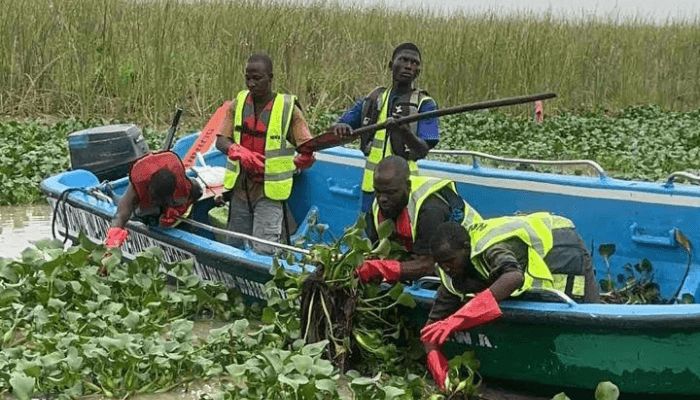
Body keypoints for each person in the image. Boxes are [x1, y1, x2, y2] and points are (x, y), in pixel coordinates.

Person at [420, 215, 601, 391]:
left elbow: (513, 277)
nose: (447, 268)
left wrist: (460, 318)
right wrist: (434, 358)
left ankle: (589, 369)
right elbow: (430, 329)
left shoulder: (491, 248)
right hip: (525, 257)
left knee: (584, 309)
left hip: (560, 242)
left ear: (466, 249)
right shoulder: (451, 274)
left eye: (451, 261)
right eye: (442, 264)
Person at [215, 53, 315, 254]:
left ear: (270, 77)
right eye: (247, 78)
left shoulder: (289, 110)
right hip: (241, 189)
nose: (251, 84)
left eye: (257, 78)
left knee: (264, 250)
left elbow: (307, 148)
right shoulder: (238, 103)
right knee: (233, 246)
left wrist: (303, 159)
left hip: (269, 192)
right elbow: (221, 140)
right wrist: (237, 151)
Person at [330, 42, 439, 215]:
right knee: (370, 237)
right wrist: (340, 127)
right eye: (403, 60)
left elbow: (422, 150)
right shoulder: (373, 99)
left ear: (418, 71)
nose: (409, 66)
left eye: (414, 63)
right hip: (372, 188)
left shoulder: (425, 104)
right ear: (391, 65)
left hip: (402, 191)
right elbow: (339, 125)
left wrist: (405, 131)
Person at [354, 156, 481, 283]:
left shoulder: (431, 210)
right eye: (378, 191)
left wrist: (383, 269)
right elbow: (378, 252)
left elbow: (428, 266)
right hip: (419, 254)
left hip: (469, 259)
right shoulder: (377, 206)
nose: (382, 199)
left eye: (391, 192)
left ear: (408, 187)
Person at [104, 151, 203, 248]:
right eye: (155, 198)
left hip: (175, 214)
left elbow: (197, 195)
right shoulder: (137, 187)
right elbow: (120, 216)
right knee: (136, 214)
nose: (156, 201)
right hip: (144, 211)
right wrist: (112, 242)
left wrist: (178, 211)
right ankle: (111, 193)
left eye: (160, 199)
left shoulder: (190, 188)